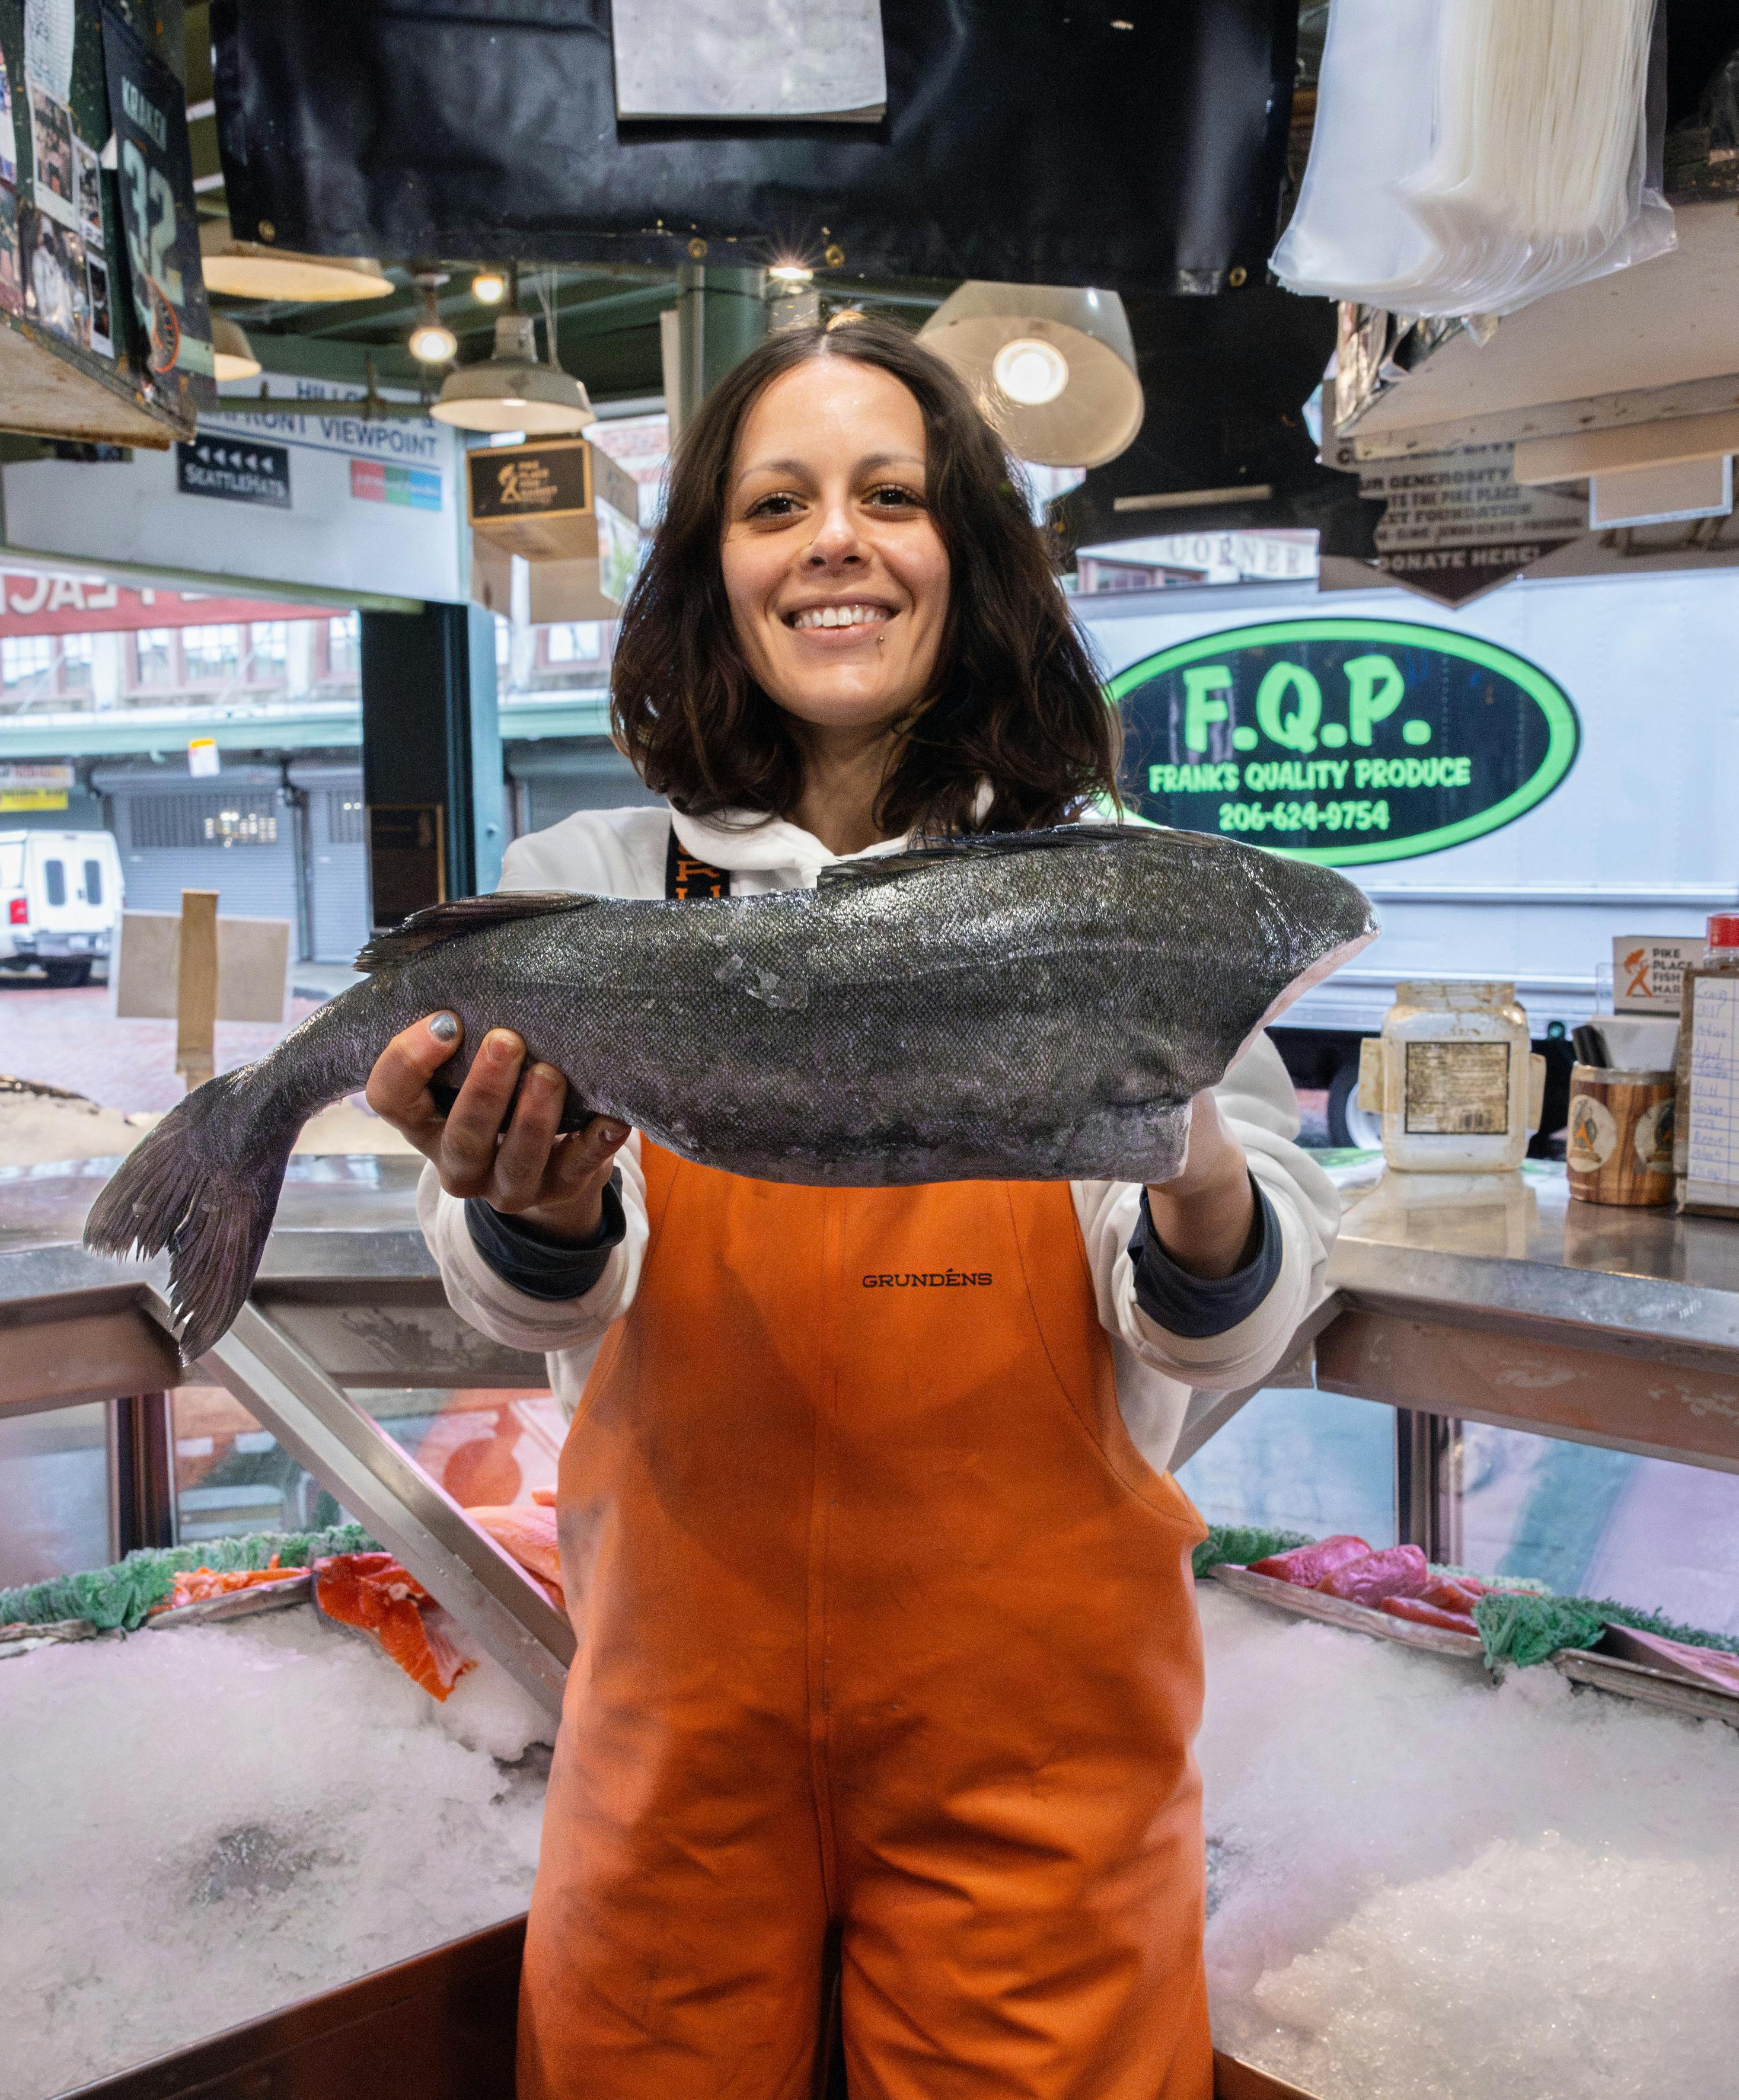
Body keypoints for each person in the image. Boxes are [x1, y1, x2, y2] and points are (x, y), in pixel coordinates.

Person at [367, 315, 1341, 2100]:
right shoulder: (597, 889)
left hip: (1036, 1750)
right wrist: (533, 1201)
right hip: (679, 1729)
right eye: (776, 502)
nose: (836, 538)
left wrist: (1191, 1153)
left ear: (963, 554)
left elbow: (1229, 1305)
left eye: (891, 495)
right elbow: (531, 1304)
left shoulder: (1110, 880)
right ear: (714, 570)